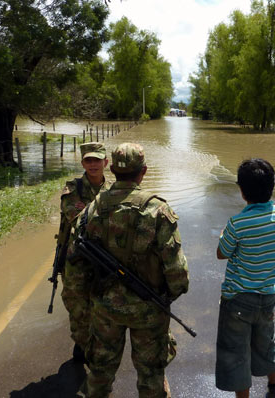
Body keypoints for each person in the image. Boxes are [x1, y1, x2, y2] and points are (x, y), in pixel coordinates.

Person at [68, 142, 189, 398]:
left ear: (111, 169)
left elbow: (75, 272)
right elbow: (178, 276)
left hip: (104, 310)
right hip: (149, 311)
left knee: (99, 374)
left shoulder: (90, 210)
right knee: (151, 376)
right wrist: (163, 299)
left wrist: (83, 313)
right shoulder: (158, 211)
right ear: (143, 171)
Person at [215, 158, 275, 398]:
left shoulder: (237, 223)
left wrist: (223, 234)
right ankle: (273, 384)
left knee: (236, 351)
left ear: (242, 191)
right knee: (266, 340)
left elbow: (221, 253)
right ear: (272, 186)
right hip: (267, 293)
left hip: (238, 298)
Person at [59, 142, 110, 363]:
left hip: (104, 261)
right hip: (77, 260)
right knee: (77, 307)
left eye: (97, 160)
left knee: (103, 306)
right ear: (82, 163)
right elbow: (77, 219)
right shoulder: (73, 188)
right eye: (88, 160)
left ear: (106, 162)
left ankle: (99, 344)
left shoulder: (114, 191)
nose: (93, 164)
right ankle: (81, 344)